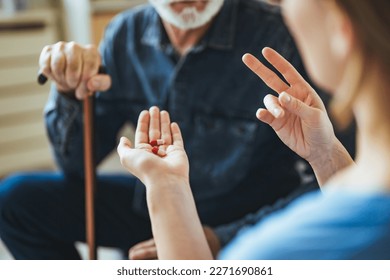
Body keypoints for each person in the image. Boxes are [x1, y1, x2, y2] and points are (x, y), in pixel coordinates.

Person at [0, 0, 316, 259]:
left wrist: (222, 238)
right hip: (151, 205)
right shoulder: (125, 34)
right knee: (14, 200)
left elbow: (336, 177)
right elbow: (75, 166)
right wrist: (70, 93)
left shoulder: (281, 36)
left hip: (244, 214)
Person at [117, 0, 390, 259]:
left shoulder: (268, 254)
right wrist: (325, 153)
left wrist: (166, 185)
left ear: (340, 29)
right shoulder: (125, 34)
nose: (282, 10)